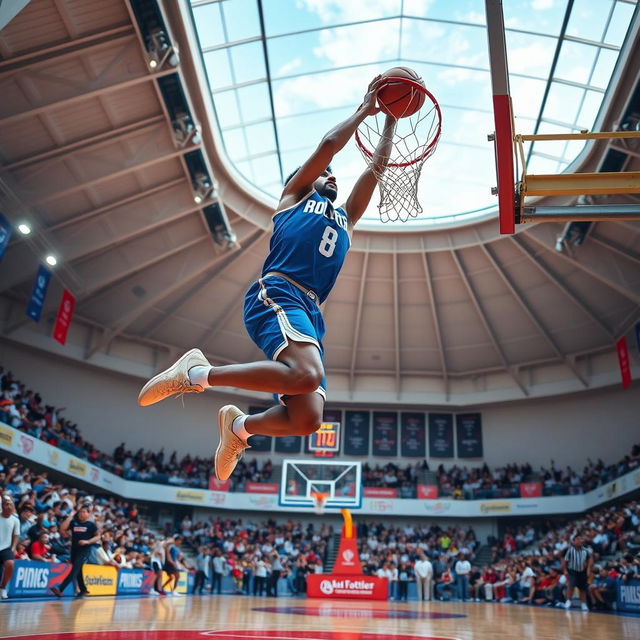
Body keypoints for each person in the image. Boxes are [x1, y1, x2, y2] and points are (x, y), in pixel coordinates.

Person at [137, 76, 396, 482]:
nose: (332, 176)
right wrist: (367, 109)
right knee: (307, 375)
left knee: (307, 419)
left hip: (308, 309)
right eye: (323, 174)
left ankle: (239, 427)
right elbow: (329, 144)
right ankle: (195, 374)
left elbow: (376, 169)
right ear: (303, 178)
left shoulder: (346, 218)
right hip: (277, 291)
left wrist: (392, 121)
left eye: (333, 175)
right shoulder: (294, 197)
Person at [51, 503, 100, 598]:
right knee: (78, 570)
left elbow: (98, 536)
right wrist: (70, 516)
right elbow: (62, 529)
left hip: (84, 551)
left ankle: (60, 588)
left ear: (88, 514)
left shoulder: (91, 525)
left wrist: (87, 541)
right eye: (80, 512)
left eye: (84, 512)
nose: (81, 513)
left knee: (74, 570)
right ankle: (83, 589)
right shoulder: (74, 522)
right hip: (74, 550)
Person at [563, 534, 592, 611]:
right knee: (571, 586)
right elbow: (565, 561)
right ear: (574, 541)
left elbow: (590, 560)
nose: (580, 541)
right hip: (572, 571)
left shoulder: (586, 551)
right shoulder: (570, 550)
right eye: (578, 539)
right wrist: (565, 570)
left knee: (582, 588)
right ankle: (568, 601)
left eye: (581, 539)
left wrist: (588, 569)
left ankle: (583, 604)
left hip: (582, 571)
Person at [0, 494, 20, 600]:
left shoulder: (15, 520)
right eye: (6, 504)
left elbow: (16, 535)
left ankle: (3, 588)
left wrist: (13, 547)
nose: (9, 506)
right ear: (2, 506)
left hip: (6, 548)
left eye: (10, 505)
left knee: (10, 564)